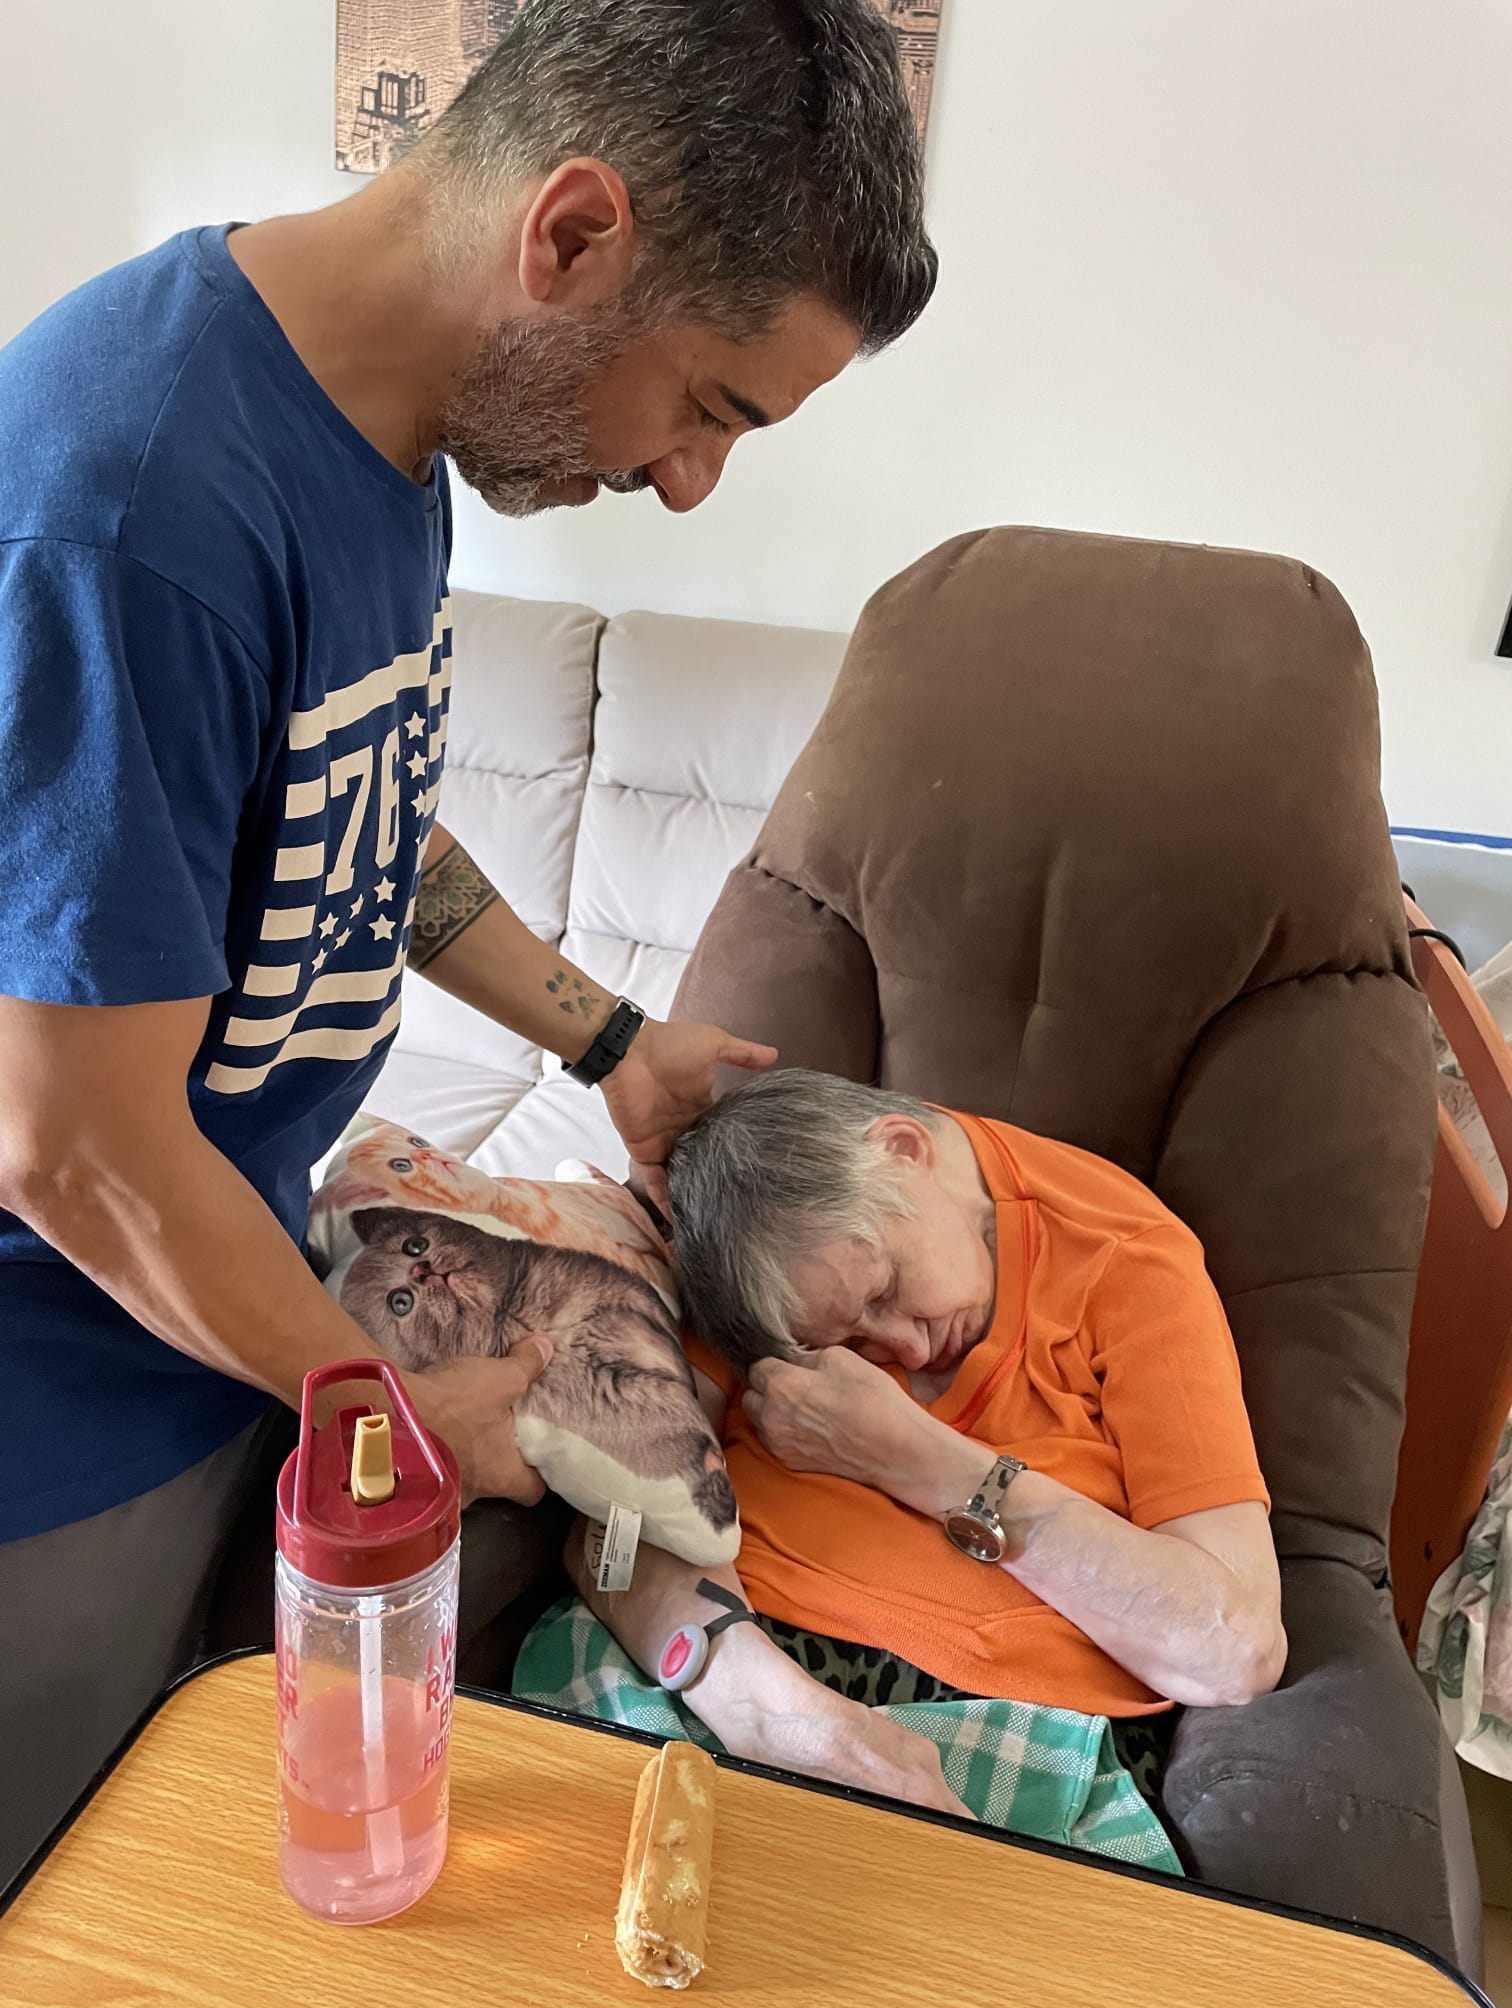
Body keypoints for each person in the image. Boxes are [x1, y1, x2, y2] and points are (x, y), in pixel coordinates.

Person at [0, 3, 936, 1882]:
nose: (690, 483)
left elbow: (345, 811)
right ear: (571, 235)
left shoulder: (393, 451)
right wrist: (396, 1409)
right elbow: (66, 1140)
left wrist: (616, 1043)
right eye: (711, 407)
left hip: (223, 1315)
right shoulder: (132, 505)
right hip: (51, 1399)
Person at [565, 1071, 1286, 1818]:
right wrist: (757, 1701)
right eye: (843, 1343)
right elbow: (609, 1525)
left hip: (1000, 1730)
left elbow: (1234, 1650)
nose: (905, 1350)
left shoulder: (1125, 1256)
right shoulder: (758, 1226)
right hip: (704, 1663)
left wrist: (915, 1458)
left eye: (883, 1290)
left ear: (904, 1151)